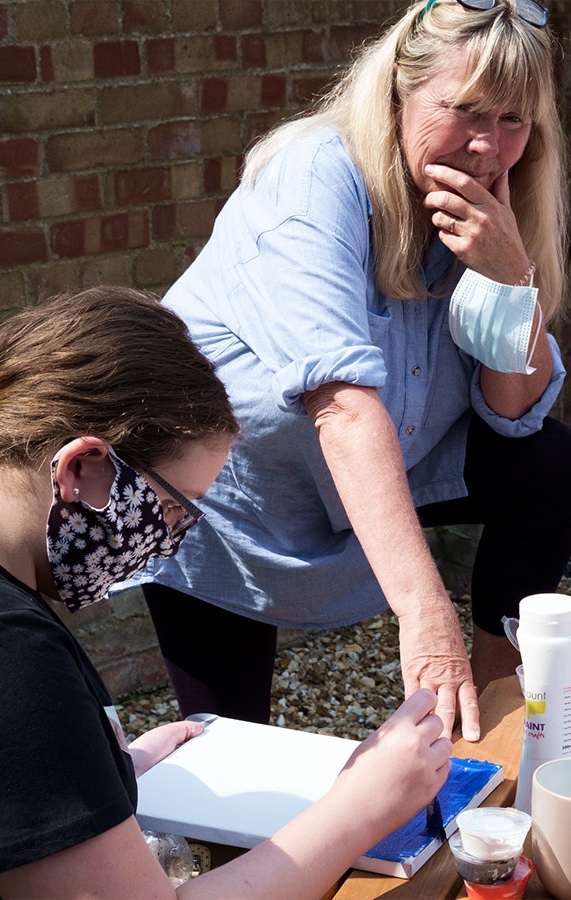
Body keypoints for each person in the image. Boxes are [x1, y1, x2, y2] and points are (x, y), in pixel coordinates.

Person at [127, 0, 571, 740]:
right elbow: (344, 407)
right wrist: (426, 616)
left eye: (515, 120)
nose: (488, 147)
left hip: (389, 459)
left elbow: (513, 414)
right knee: (231, 757)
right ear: (399, 90)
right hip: (230, 499)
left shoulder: (494, 206)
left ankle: (497, 725)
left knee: (549, 465)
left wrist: (511, 280)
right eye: (464, 110)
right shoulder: (314, 182)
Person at [0, 286, 452, 899]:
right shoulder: (1, 655)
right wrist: (359, 808)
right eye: (174, 510)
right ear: (81, 469)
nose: (170, 543)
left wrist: (99, 776)